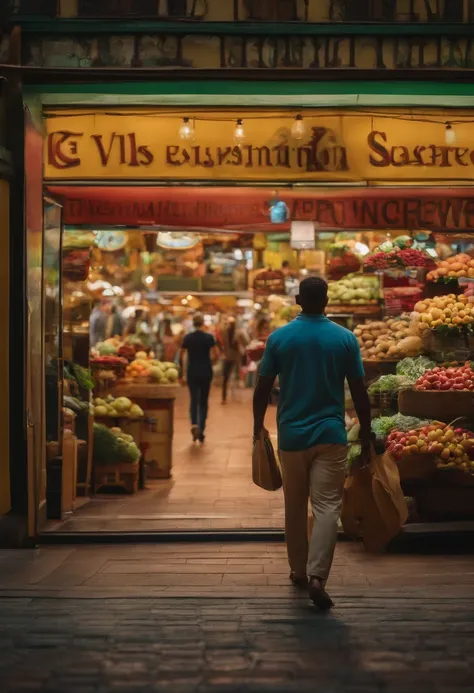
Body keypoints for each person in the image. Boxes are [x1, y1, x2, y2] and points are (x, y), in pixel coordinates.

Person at [252, 277, 372, 610]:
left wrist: (256, 426)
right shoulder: (345, 338)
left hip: (292, 436)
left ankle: (298, 570)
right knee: (327, 507)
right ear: (327, 300)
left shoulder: (279, 338)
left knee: (294, 504)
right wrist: (367, 429)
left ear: (298, 300)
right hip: (331, 436)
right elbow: (359, 390)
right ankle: (318, 576)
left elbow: (262, 387)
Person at [179, 314, 219, 443]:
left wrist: (181, 372)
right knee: (203, 401)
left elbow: (181, 356)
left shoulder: (188, 338)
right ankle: (201, 428)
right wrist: (211, 362)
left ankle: (194, 424)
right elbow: (216, 354)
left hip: (192, 371)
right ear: (202, 323)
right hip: (206, 371)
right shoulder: (209, 337)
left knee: (193, 400)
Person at [220, 316, 249, 404]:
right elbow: (224, 344)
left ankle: (235, 397)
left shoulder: (238, 333)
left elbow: (246, 343)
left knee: (235, 376)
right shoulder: (225, 332)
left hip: (235, 357)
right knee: (226, 377)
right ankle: (224, 397)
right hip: (229, 357)